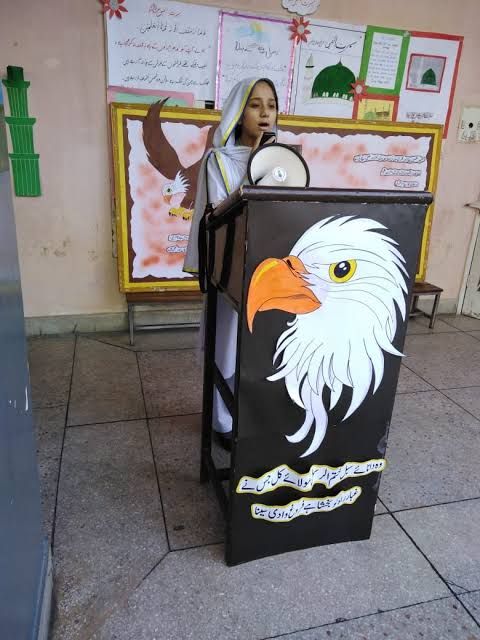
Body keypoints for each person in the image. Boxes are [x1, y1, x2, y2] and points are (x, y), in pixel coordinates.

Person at [183, 77, 279, 449]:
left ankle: (252, 413)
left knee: (261, 349)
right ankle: (222, 422)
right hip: (231, 272)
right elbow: (218, 216)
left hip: (268, 269)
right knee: (227, 347)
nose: (264, 112)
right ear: (240, 113)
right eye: (255, 105)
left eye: (270, 105)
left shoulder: (283, 156)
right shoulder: (218, 161)